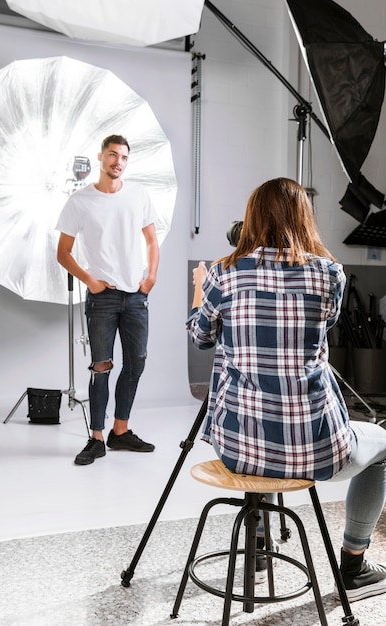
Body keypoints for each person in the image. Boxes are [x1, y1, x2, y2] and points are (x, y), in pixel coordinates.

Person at [187, 177, 386, 602]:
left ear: (252, 218)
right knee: (383, 447)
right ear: (304, 219)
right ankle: (353, 564)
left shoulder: (222, 273)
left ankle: (258, 550)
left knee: (262, 431)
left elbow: (201, 337)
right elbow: (323, 328)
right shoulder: (329, 274)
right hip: (312, 447)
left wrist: (196, 290)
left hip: (238, 445)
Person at [56, 134, 159, 465]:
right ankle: (96, 438)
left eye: (124, 157)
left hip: (136, 297)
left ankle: (120, 431)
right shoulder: (80, 201)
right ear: (100, 157)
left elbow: (152, 242)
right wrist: (89, 280)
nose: (118, 161)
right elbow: (63, 252)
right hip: (102, 298)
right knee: (101, 366)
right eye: (113, 155)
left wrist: (151, 277)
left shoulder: (138, 195)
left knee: (136, 363)